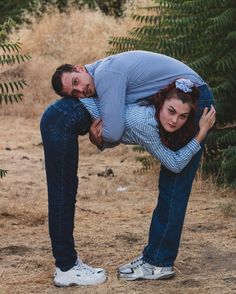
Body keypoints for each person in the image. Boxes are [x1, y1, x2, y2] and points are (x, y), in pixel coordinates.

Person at [41, 51, 215, 286]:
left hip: (189, 100)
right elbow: (113, 116)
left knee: (174, 181)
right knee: (172, 178)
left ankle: (158, 262)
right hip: (175, 99)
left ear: (80, 68)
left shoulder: (106, 74)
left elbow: (112, 131)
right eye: (74, 94)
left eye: (76, 82)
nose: (80, 92)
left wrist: (200, 133)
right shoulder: (100, 77)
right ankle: (155, 258)